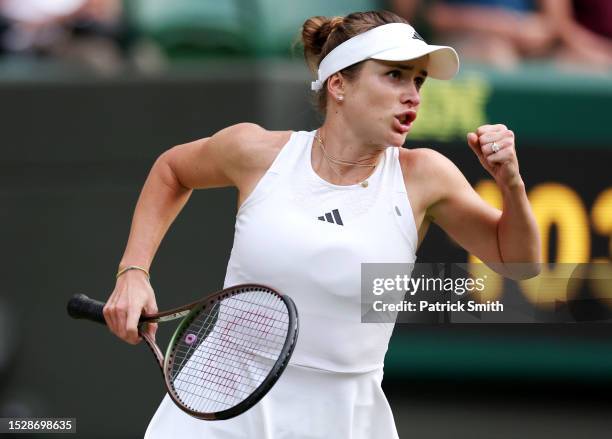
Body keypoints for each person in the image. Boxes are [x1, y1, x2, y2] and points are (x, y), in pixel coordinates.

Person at [102, 10, 541, 439]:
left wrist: (512, 184)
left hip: (343, 415)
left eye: (418, 81)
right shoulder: (256, 152)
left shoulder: (425, 175)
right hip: (222, 398)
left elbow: (519, 265)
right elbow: (172, 170)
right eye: (394, 76)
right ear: (339, 85)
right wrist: (133, 273)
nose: (413, 95)